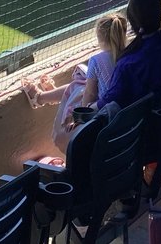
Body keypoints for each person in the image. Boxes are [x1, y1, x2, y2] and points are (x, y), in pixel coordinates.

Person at [44, 14, 128, 153]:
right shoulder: (130, 53)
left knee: (76, 88)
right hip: (124, 113)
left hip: (104, 116)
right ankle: (43, 96)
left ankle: (43, 98)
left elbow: (90, 93)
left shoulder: (96, 59)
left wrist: (78, 119)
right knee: (79, 82)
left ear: (99, 37)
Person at [99, 0, 161, 109]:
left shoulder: (128, 65)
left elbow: (106, 104)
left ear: (131, 20)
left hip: (153, 125)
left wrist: (88, 106)